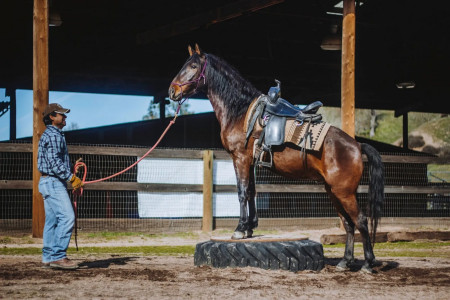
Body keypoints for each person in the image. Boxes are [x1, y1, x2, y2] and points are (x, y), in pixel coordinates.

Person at [37, 103, 83, 270]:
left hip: (47, 182)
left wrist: (70, 168)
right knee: (67, 217)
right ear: (52, 117)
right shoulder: (55, 135)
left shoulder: (50, 134)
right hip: (54, 182)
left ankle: (48, 257)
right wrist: (72, 178)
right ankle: (58, 256)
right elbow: (54, 161)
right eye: (61, 114)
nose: (65, 117)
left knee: (52, 221)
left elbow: (53, 160)